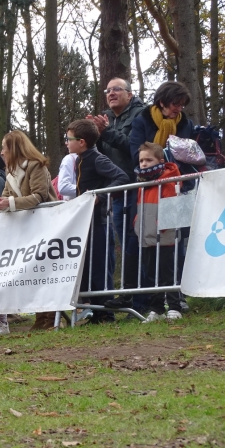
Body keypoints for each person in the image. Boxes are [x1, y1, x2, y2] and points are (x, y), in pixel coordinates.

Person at [0, 130, 58, 331]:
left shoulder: (36, 166)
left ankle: (52, 316)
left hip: (47, 227)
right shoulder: (10, 173)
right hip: (27, 230)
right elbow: (7, 196)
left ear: (14, 149)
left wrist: (9, 202)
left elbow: (39, 196)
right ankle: (40, 316)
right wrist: (1, 201)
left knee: (47, 272)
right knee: (34, 272)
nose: (2, 152)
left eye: (5, 148)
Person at [87, 79, 145, 311]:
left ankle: (140, 300)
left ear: (129, 94)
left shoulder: (141, 114)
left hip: (136, 187)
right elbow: (101, 155)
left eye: (116, 90)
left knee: (136, 242)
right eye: (108, 91)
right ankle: (126, 296)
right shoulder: (105, 118)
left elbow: (136, 149)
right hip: (114, 191)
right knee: (125, 244)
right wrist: (95, 135)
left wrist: (107, 132)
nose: (111, 94)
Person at [67, 120, 129, 324]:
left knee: (100, 267)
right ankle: (94, 311)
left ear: (82, 142)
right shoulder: (79, 160)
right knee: (88, 267)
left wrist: (99, 196)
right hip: (85, 221)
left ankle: (106, 313)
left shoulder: (97, 159)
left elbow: (121, 177)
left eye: (69, 139)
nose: (67, 142)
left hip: (99, 221)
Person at [134, 143, 183, 322]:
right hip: (147, 234)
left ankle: (175, 306)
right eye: (141, 160)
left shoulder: (169, 179)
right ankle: (157, 308)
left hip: (165, 233)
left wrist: (162, 225)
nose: (144, 164)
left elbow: (172, 205)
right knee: (151, 273)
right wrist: (137, 224)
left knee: (167, 271)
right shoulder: (142, 182)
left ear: (160, 161)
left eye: (149, 159)